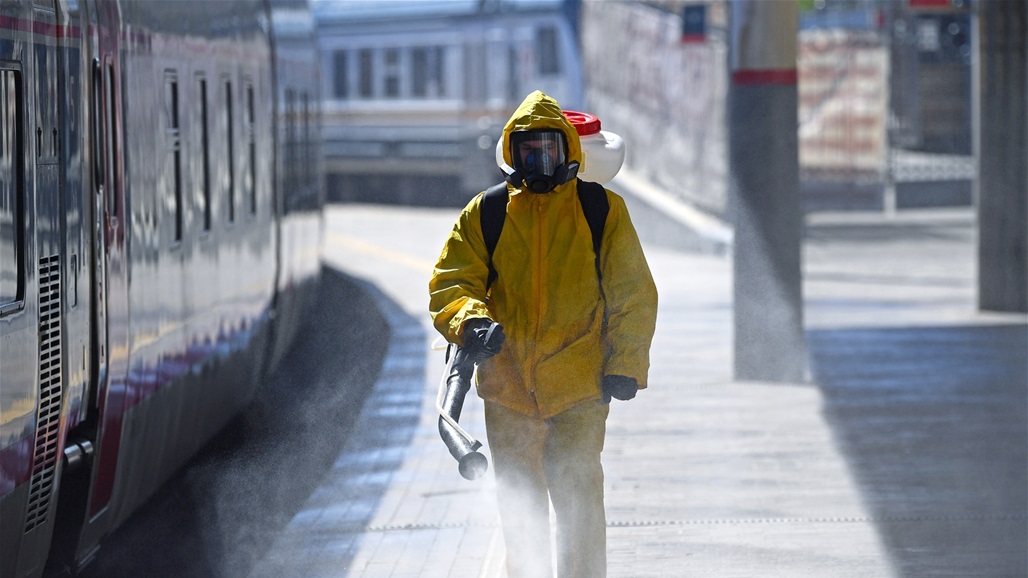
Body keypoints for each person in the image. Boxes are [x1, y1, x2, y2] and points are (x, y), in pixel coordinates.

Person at [428, 90, 658, 578]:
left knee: (579, 510)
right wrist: (471, 320)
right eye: (528, 151)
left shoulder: (601, 212)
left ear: (568, 151)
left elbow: (633, 295)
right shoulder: (487, 214)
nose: (539, 161)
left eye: (548, 150)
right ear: (512, 153)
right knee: (521, 515)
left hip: (579, 390)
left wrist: (625, 366)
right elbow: (452, 281)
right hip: (508, 391)